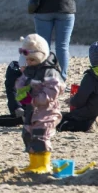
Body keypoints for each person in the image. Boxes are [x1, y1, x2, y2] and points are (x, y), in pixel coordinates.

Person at [15, 34, 64, 172]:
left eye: (32, 59)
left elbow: (54, 91)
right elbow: (21, 82)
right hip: (32, 110)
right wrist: (21, 91)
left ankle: (43, 163)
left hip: (47, 110)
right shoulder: (30, 70)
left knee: (41, 135)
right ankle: (33, 163)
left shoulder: (50, 71)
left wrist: (35, 99)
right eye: (27, 59)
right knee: (28, 134)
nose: (29, 62)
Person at [58, 42, 98, 132]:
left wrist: (72, 101)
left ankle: (90, 124)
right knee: (94, 115)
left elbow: (80, 99)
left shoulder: (91, 76)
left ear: (91, 58)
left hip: (91, 111)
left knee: (65, 119)